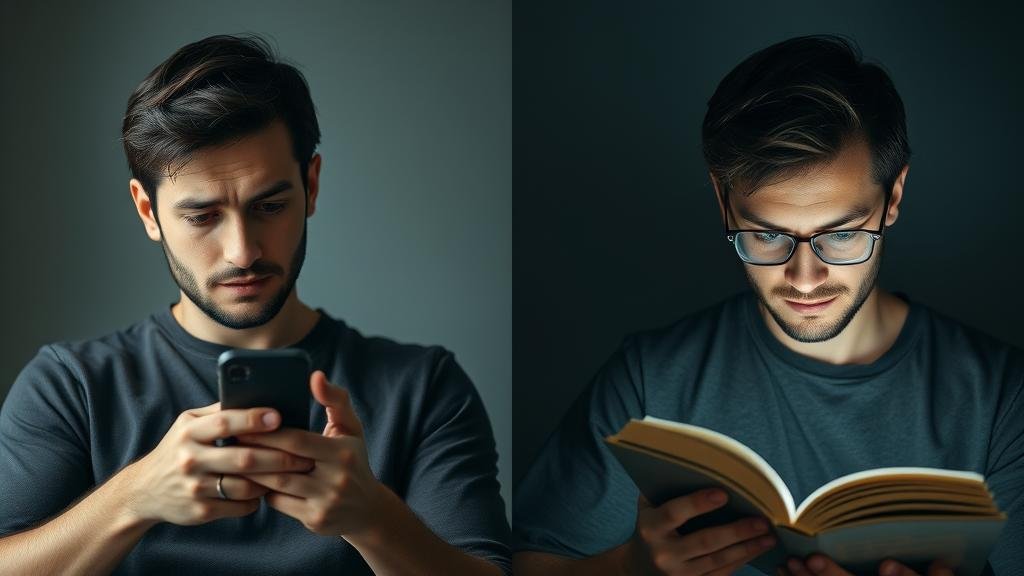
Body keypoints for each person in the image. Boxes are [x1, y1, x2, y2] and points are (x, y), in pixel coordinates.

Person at [512, 35, 1023, 575]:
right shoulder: (651, 380)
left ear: (893, 198)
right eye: (766, 236)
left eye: (843, 235)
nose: (805, 278)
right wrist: (627, 567)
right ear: (721, 200)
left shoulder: (1001, 401)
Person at [0, 34, 509, 575]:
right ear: (148, 211)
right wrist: (134, 499)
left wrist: (373, 519)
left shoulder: (423, 387)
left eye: (270, 205)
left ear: (311, 186)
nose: (243, 251)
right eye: (202, 216)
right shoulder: (71, 385)